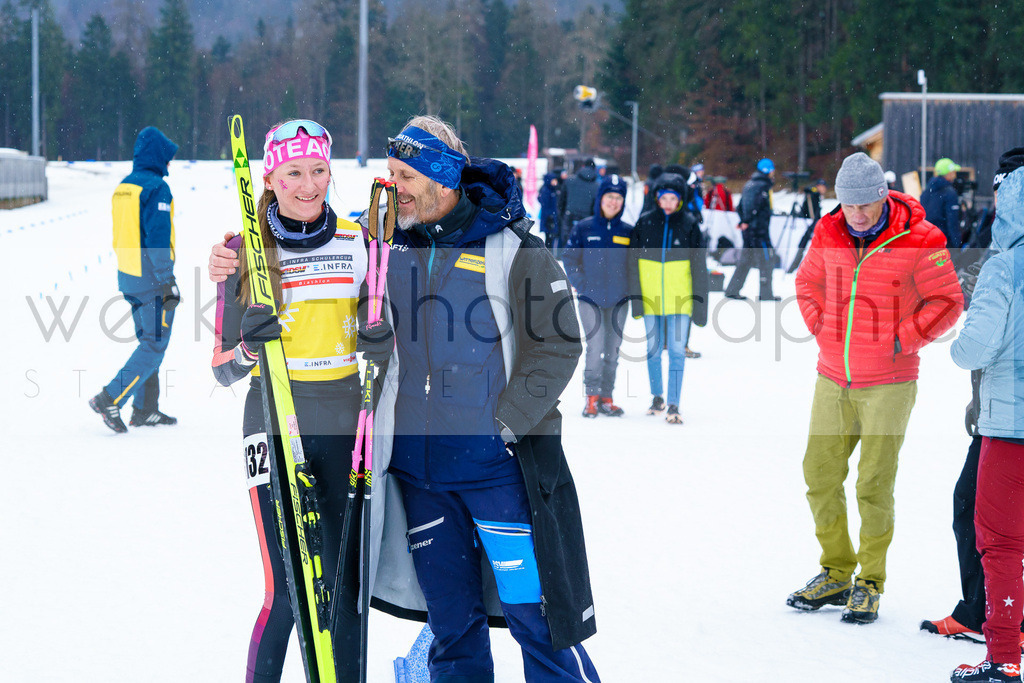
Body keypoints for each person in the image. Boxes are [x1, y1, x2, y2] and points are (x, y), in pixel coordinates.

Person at [209, 119, 372, 683]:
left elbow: (387, 324)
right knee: (286, 589)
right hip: (274, 416)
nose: (308, 184)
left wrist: (384, 342)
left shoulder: (359, 242)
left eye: (319, 170)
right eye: (294, 172)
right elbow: (223, 369)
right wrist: (250, 351)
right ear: (271, 178)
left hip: (345, 418)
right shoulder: (243, 253)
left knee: (343, 585)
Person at [786, 151, 963, 624]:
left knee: (873, 485)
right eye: (850, 205)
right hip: (832, 376)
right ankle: (837, 571)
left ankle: (869, 581)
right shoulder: (827, 231)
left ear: (883, 197)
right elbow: (806, 285)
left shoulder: (921, 238)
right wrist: (823, 327)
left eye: (867, 205)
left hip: (889, 382)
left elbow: (948, 300)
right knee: (819, 477)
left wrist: (902, 340)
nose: (859, 214)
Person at [922, 148, 1024, 647]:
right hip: (994, 410)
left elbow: (978, 345)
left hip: (1007, 419)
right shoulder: (1002, 245)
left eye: (1003, 184)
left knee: (985, 517)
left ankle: (998, 619)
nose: (998, 193)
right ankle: (982, 610)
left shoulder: (1009, 257)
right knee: (973, 507)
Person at [948, 164, 1024, 683]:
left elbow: (971, 348)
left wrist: (964, 335)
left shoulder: (1004, 268)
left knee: (998, 541)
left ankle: (1003, 656)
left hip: (1011, 425)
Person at [89, 126, 180, 433]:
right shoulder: (156, 189)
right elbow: (156, 239)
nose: (169, 164)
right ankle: (109, 398)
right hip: (152, 280)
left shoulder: (124, 186)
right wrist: (168, 280)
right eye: (167, 158)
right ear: (157, 157)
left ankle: (144, 409)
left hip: (128, 276)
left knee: (148, 342)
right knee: (154, 346)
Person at [628, 171, 709, 424]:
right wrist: (636, 299)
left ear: (680, 200)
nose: (668, 203)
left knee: (676, 351)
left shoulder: (689, 224)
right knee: (652, 350)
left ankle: (674, 403)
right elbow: (632, 263)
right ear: (657, 198)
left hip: (680, 299)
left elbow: (699, 267)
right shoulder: (644, 223)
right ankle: (657, 396)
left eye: (673, 198)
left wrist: (700, 305)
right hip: (651, 298)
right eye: (664, 198)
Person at [562, 173, 633, 418]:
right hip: (590, 300)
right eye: (609, 197)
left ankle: (606, 397)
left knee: (612, 351)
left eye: (618, 198)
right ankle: (591, 396)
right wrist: (582, 286)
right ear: (601, 198)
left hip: (619, 301)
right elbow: (569, 258)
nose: (613, 202)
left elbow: (634, 265)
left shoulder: (628, 232)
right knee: (595, 348)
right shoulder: (584, 228)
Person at [724, 157, 778, 301]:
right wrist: (747, 221)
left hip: (750, 231)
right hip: (759, 231)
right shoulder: (762, 185)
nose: (773, 172)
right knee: (767, 260)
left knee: (746, 261)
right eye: (772, 169)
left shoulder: (750, 184)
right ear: (767, 170)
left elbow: (741, 205)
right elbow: (754, 206)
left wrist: (743, 221)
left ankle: (732, 290)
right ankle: (766, 294)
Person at [557, 159, 600, 257]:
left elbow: (561, 202)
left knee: (568, 248)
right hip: (587, 219)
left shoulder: (569, 181)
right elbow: (596, 207)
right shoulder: (597, 186)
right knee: (584, 249)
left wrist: (563, 215)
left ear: (583, 166)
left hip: (569, 217)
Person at [920, 157, 963, 249]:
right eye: (953, 172)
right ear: (949, 173)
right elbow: (952, 220)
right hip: (943, 241)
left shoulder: (925, 192)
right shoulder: (949, 193)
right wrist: (957, 243)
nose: (955, 175)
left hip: (926, 240)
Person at [538, 170, 562, 252]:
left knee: (551, 238)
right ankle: (547, 254)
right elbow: (546, 205)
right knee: (549, 238)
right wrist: (550, 216)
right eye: (553, 180)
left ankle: (549, 254)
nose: (556, 182)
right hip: (549, 219)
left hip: (552, 218)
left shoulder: (553, 190)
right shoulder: (546, 191)